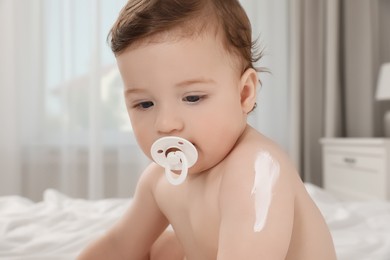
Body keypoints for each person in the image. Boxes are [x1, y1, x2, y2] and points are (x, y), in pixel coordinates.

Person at [78, 0, 337, 259]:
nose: (166, 124)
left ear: (244, 93)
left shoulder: (255, 168)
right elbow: (119, 245)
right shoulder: (157, 180)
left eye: (192, 98)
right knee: (160, 248)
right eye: (145, 104)